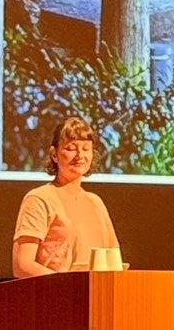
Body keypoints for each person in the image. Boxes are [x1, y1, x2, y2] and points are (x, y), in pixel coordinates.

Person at [12, 116, 121, 276]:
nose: (80, 156)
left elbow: (114, 262)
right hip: (56, 295)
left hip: (96, 296)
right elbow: (23, 265)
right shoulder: (39, 199)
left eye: (86, 148)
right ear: (54, 154)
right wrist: (67, 284)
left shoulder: (96, 202)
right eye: (71, 148)